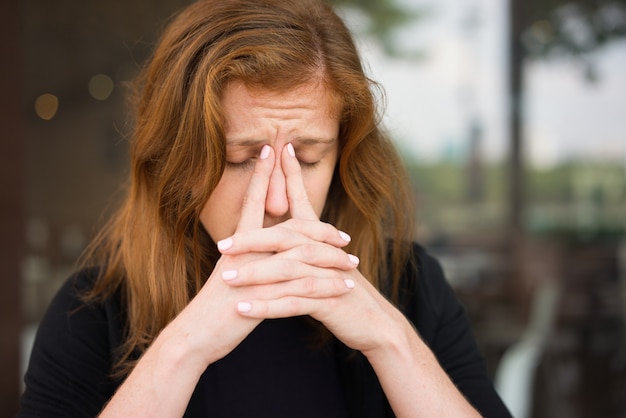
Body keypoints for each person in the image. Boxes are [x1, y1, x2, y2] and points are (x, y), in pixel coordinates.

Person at [19, 0, 512, 416]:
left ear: (343, 156)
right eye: (240, 160)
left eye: (310, 158)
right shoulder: (94, 308)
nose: (277, 200)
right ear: (175, 161)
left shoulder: (410, 282)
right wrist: (183, 348)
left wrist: (391, 343)